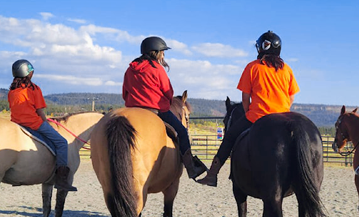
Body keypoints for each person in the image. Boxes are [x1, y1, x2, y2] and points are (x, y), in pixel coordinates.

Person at [197, 30, 300, 187]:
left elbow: (245, 98)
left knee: (230, 136)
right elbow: (291, 97)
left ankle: (212, 174)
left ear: (260, 48)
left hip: (257, 116)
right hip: (283, 118)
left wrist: (248, 113)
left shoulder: (252, 67)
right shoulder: (287, 69)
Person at [122, 36, 207, 180]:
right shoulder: (157, 69)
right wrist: (166, 103)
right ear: (156, 52)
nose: (163, 55)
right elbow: (169, 92)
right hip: (155, 111)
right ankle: (191, 167)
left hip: (132, 110)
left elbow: (125, 93)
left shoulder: (130, 70)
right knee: (181, 131)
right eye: (162, 52)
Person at [8, 59, 77, 191]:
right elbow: (39, 111)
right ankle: (61, 180)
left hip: (17, 124)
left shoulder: (12, 91)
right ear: (28, 73)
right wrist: (46, 122)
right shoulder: (34, 88)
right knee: (62, 142)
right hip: (34, 124)